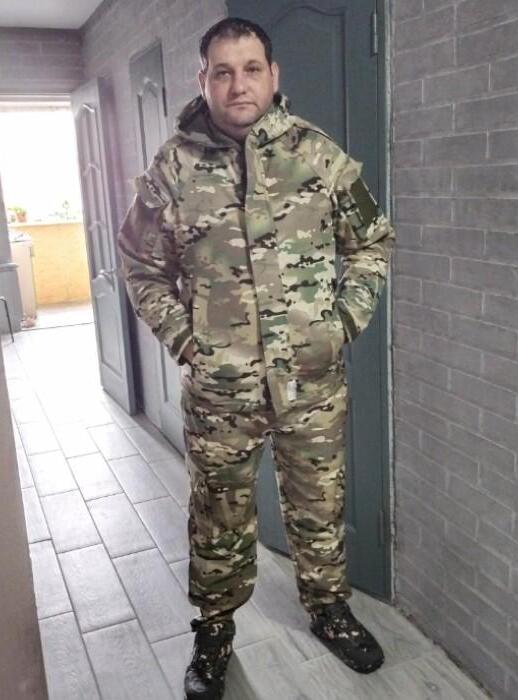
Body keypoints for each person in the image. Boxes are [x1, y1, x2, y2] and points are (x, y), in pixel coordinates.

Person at [118, 17, 395, 700]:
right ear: (203, 80)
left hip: (312, 385)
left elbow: (372, 243)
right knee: (217, 517)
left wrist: (343, 323)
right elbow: (141, 268)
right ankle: (214, 633)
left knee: (319, 508)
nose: (237, 84)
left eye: (250, 69)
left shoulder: (318, 156)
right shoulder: (172, 170)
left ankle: (328, 609)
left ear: (274, 76)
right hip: (221, 394)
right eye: (222, 71)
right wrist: (187, 341)